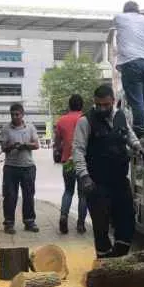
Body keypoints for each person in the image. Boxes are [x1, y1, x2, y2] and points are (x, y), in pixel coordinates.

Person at [73, 84, 144, 258]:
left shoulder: (120, 116)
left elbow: (128, 134)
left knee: (127, 220)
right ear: (94, 102)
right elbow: (78, 150)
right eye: (98, 105)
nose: (102, 108)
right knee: (101, 226)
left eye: (106, 105)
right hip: (97, 183)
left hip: (119, 181)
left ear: (113, 101)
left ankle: (118, 257)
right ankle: (104, 261)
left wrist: (139, 148)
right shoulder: (86, 121)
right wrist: (84, 176)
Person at [112, 0, 144, 138]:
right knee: (141, 102)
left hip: (132, 65)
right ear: (138, 10)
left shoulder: (120, 18)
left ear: (125, 10)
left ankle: (139, 134)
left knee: (137, 103)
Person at [0, 103, 40, 234]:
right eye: (12, 114)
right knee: (10, 196)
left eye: (17, 114)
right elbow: (3, 148)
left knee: (29, 195)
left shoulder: (30, 127)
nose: (14, 117)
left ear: (22, 114)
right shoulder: (6, 129)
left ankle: (29, 222)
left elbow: (36, 145)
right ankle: (9, 223)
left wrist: (25, 145)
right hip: (10, 167)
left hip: (28, 167)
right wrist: (12, 146)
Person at [54, 94, 87, 234]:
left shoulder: (61, 120)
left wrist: (60, 150)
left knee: (68, 191)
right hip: (83, 162)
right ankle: (80, 224)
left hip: (68, 161)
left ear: (69, 105)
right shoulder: (86, 119)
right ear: (82, 105)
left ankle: (63, 216)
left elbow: (57, 142)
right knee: (83, 194)